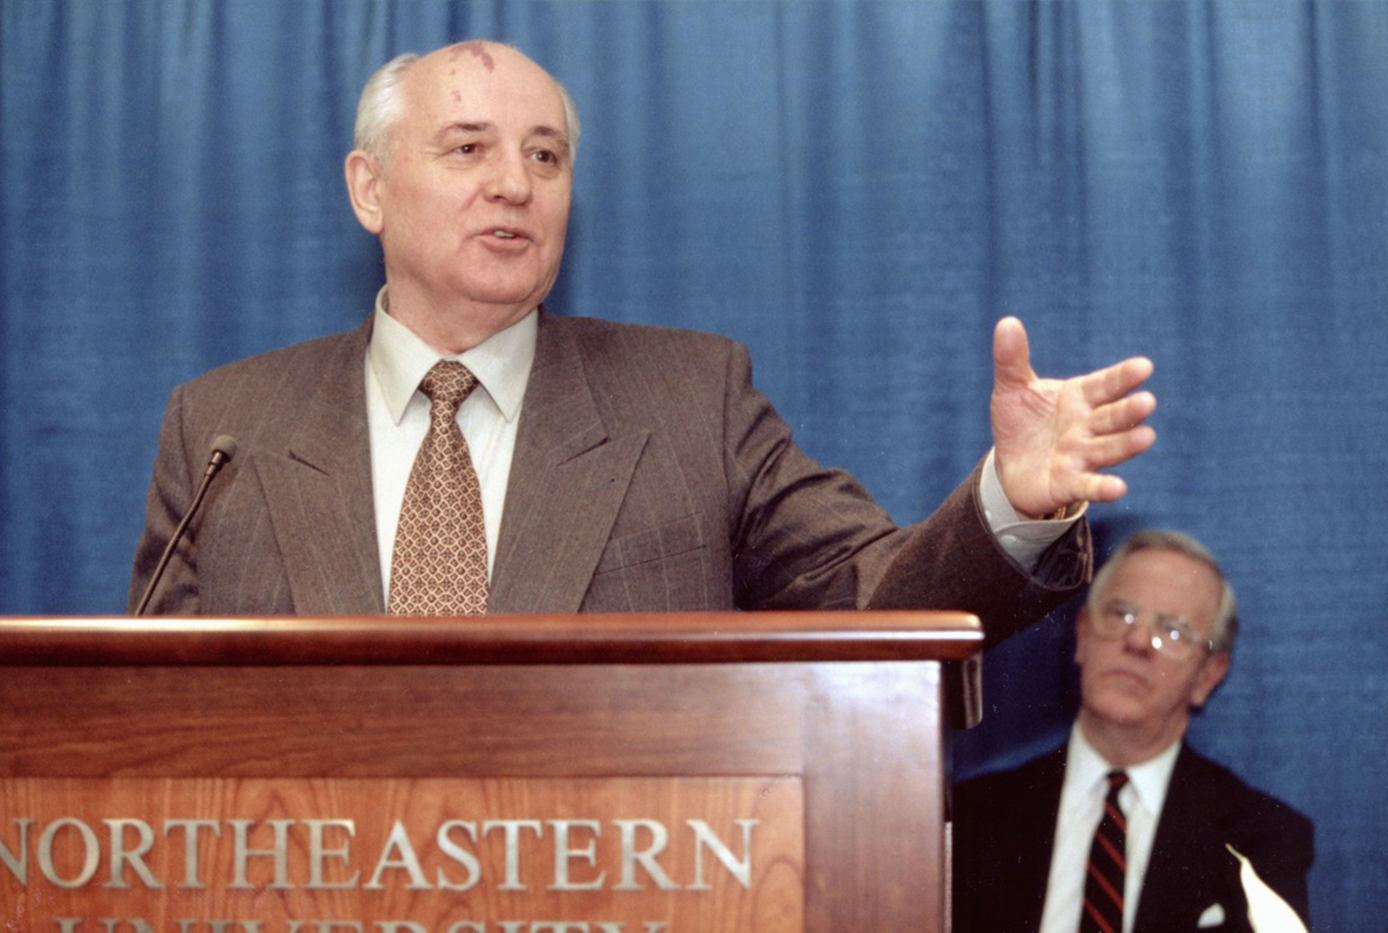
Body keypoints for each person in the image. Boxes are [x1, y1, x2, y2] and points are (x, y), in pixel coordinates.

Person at [128, 40, 1156, 636]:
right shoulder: (226, 429)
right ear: (368, 188)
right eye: (467, 148)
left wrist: (1009, 503)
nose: (515, 184)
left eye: (546, 154)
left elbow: (872, 602)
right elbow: (141, 734)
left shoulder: (687, 402)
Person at [952, 530, 1314, 933]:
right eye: (1122, 614)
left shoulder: (1264, 838)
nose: (1138, 641)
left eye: (1174, 630)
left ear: (1208, 676)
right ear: (1083, 634)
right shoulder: (970, 818)